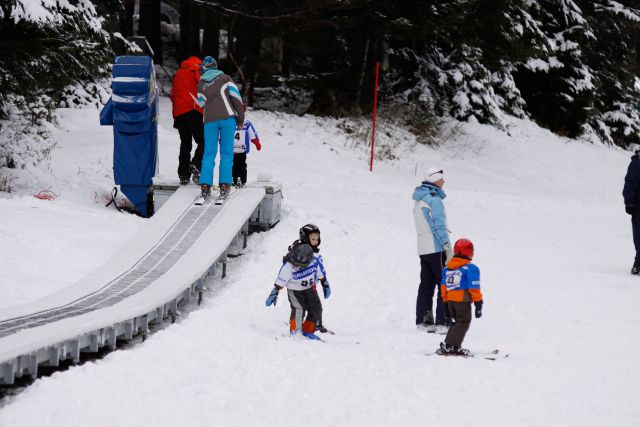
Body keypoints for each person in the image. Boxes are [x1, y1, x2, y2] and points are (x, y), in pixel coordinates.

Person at [194, 56, 245, 205]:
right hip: (227, 119)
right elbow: (236, 98)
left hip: (209, 121)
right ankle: (224, 186)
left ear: (204, 68)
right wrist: (240, 118)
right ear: (215, 67)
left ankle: (205, 187)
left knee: (209, 153)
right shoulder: (225, 78)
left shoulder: (201, 84)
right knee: (227, 152)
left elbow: (202, 104)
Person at [412, 166, 452, 333]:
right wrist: (447, 246)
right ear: (434, 180)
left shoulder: (419, 199)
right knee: (444, 284)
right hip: (436, 248)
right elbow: (438, 225)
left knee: (426, 285)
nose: (443, 181)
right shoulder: (434, 199)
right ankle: (443, 323)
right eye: (441, 178)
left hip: (423, 248)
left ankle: (424, 322)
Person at [266, 243, 323, 340]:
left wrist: (325, 284)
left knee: (316, 308)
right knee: (298, 308)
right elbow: (281, 280)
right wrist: (275, 291)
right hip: (295, 291)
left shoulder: (314, 262)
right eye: (296, 263)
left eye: (300, 265)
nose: (297, 266)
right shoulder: (288, 267)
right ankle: (295, 330)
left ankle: (308, 330)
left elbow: (319, 273)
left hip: (309, 289)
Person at [283, 224, 331, 333]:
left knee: (316, 306)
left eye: (317, 238)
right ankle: (295, 329)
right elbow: (287, 267)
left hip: (310, 285)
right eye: (313, 239)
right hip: (297, 287)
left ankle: (313, 327)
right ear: (305, 238)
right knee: (299, 308)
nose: (316, 241)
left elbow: (319, 269)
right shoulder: (298, 253)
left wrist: (324, 282)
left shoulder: (315, 254)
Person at [439, 238, 483, 356]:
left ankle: (449, 344)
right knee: (463, 322)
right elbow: (474, 287)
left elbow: (443, 286)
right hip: (462, 301)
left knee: (457, 322)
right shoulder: (470, 268)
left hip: (450, 302)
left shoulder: (447, 268)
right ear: (468, 252)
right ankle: (454, 347)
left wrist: (445, 302)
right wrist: (479, 303)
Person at [170, 56, 205, 185]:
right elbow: (202, 89)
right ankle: (196, 164)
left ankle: (183, 174)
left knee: (185, 143)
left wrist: (175, 117)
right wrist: (204, 107)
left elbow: (173, 95)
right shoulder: (197, 69)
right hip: (193, 110)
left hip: (180, 113)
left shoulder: (178, 74)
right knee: (203, 140)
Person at [623, 148, 640, 274]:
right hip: (638, 206)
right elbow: (629, 183)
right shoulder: (636, 164)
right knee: (638, 236)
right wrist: (629, 202)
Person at [232, 119, 261, 187]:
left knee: (234, 164)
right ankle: (241, 180)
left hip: (233, 148)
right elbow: (253, 135)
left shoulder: (229, 120)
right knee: (241, 164)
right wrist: (257, 143)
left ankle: (235, 179)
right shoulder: (246, 122)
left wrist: (221, 141)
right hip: (241, 148)